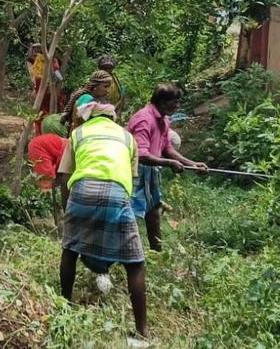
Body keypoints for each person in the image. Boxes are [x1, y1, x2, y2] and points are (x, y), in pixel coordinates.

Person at [57, 100, 147, 339]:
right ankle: (142, 331)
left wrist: (68, 212)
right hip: (117, 192)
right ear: (113, 119)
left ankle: (65, 306)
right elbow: (131, 178)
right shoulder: (128, 138)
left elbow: (64, 176)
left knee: (70, 250)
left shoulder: (78, 133)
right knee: (135, 263)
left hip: (82, 189)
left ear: (89, 117)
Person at [126, 84, 208, 251]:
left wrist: (191, 164)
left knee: (153, 212)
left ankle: (157, 253)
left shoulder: (163, 119)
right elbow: (141, 155)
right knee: (129, 215)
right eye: (174, 102)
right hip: (134, 171)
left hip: (151, 170)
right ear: (162, 102)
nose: (177, 106)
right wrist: (169, 163)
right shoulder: (144, 119)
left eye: (178, 102)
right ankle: (128, 255)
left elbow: (166, 148)